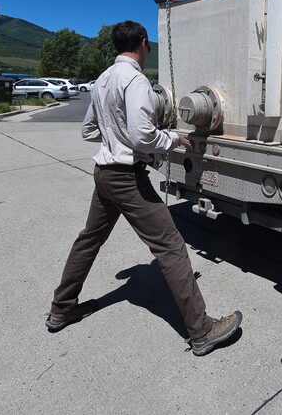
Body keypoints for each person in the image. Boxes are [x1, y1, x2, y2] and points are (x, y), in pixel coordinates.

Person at [45, 20, 242, 356]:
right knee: (171, 247)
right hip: (126, 178)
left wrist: (114, 137)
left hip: (104, 173)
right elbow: (141, 135)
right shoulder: (134, 79)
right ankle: (202, 330)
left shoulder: (105, 78)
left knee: (88, 239)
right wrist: (170, 138)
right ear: (143, 44)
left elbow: (89, 130)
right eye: (149, 47)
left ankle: (62, 308)